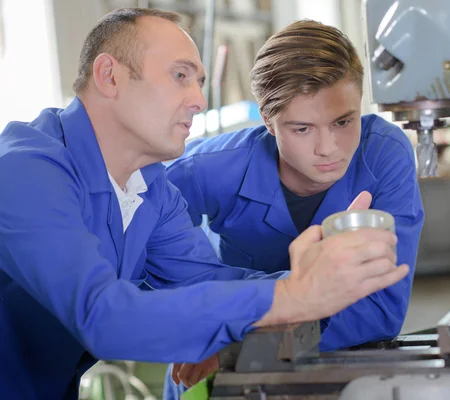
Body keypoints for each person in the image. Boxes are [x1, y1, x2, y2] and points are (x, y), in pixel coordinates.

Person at [0, 8, 410, 399]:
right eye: (180, 76)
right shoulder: (25, 169)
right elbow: (101, 316)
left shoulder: (149, 188)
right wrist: (291, 296)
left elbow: (205, 281)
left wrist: (325, 282)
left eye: (198, 81)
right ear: (110, 75)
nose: (198, 99)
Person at [163, 19, 425, 395]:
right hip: (209, 372)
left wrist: (241, 338)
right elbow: (151, 273)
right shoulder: (204, 172)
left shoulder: (383, 153)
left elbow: (381, 310)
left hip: (326, 366)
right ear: (269, 122)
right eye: (302, 128)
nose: (328, 148)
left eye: (343, 121)